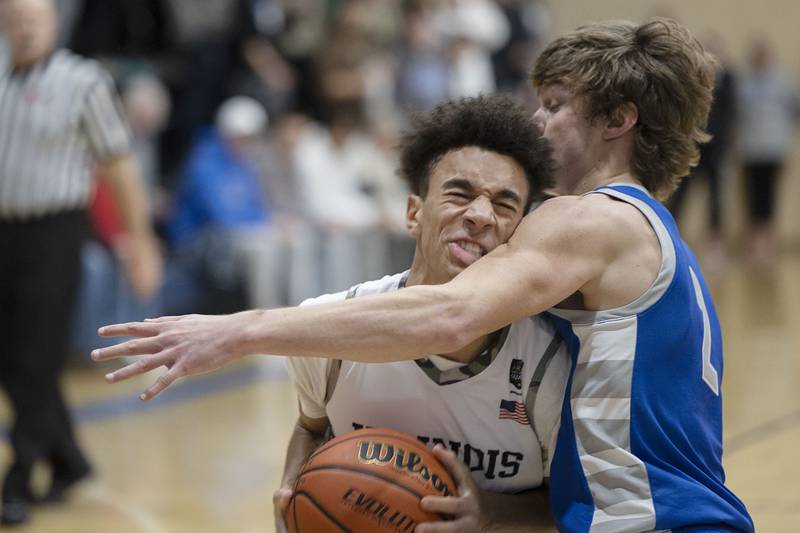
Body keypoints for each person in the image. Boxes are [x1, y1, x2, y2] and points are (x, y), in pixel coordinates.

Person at [94, 18, 755, 532]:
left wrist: (241, 331)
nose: (536, 119)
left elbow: (450, 312)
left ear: (618, 119)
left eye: (555, 103)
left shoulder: (591, 219)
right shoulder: (647, 229)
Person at [275, 95, 568, 533]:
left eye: (505, 205)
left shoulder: (552, 364)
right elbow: (310, 426)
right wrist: (293, 492)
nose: (481, 215)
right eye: (459, 193)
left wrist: (488, 512)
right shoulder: (331, 330)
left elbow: (569, 504)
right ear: (414, 213)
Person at [0, 0, 162, 525]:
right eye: (14, 19)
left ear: (53, 23)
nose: (24, 29)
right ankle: (69, 461)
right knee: (11, 359)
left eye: (33, 19)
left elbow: (119, 164)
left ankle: (19, 476)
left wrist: (140, 241)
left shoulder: (83, 81)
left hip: (54, 231)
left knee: (36, 357)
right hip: (3, 231)